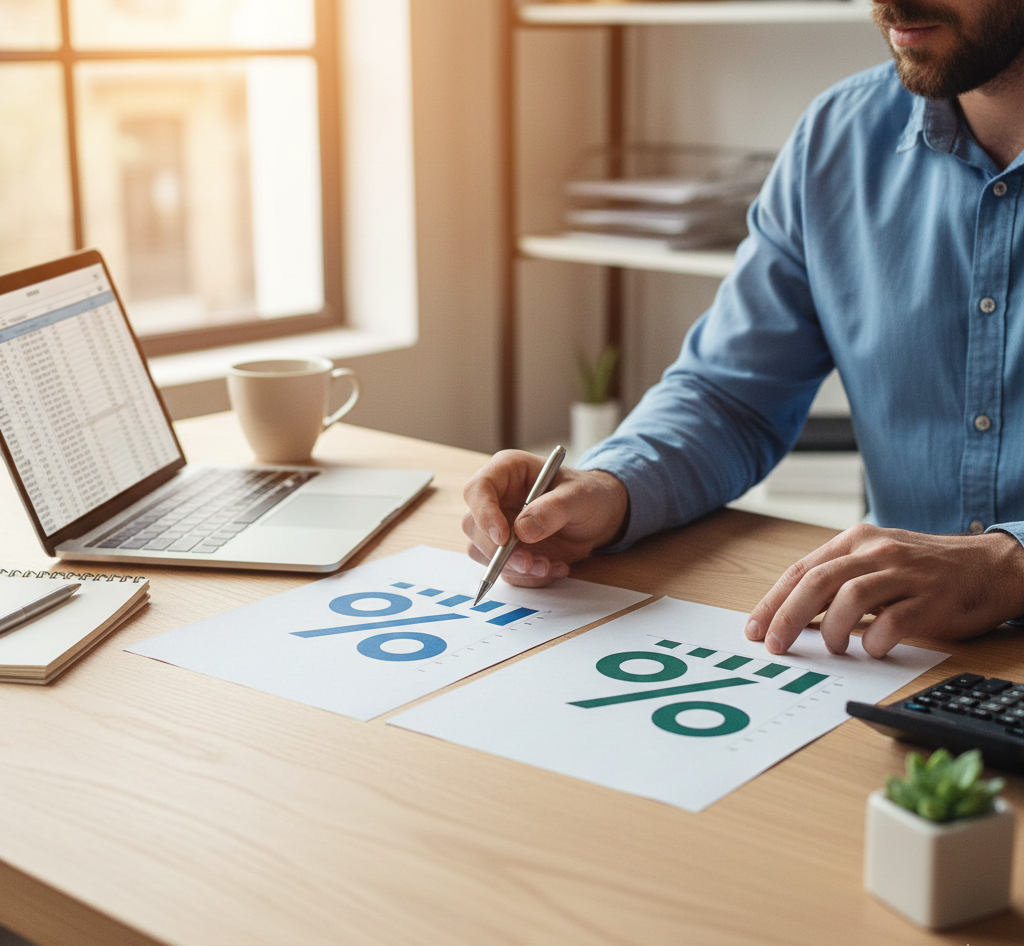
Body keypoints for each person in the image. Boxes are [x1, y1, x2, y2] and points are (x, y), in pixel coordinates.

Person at [463, 0, 1024, 660]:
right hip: (896, 648)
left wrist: (1009, 566)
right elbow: (732, 397)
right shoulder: (839, 137)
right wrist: (610, 489)